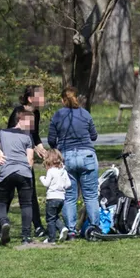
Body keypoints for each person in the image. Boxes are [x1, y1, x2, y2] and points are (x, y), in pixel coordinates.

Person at [46, 86, 98, 240]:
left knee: (69, 196)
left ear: (63, 100)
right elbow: (94, 136)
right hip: (87, 155)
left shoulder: (58, 115)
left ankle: (71, 231)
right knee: (91, 196)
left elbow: (51, 139)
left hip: (67, 156)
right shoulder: (85, 114)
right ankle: (94, 228)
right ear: (77, 98)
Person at [0, 85, 47, 239]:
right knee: (8, 194)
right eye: (40, 96)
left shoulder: (36, 113)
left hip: (27, 158)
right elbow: (13, 135)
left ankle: (38, 226)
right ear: (30, 98)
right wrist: (32, 146)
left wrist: (41, 149)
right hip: (13, 159)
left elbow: (34, 135)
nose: (44, 99)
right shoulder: (18, 112)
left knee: (30, 194)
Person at [0, 109, 36, 245]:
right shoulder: (27, 137)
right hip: (23, 172)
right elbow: (30, 159)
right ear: (20, 120)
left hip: (6, 171)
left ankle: (4, 222)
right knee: (26, 204)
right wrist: (27, 171)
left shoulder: (3, 133)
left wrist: (0, 153)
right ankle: (26, 236)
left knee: (0, 202)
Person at [40, 149, 70, 243]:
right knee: (54, 216)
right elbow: (68, 184)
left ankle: (51, 238)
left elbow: (46, 183)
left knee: (50, 219)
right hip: (61, 198)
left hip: (52, 197)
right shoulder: (63, 171)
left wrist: (42, 178)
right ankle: (62, 228)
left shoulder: (51, 171)